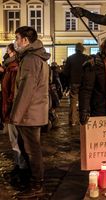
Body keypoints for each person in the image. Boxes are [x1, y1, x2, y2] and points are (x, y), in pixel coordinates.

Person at [10, 26, 50, 198]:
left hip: (29, 114)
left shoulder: (30, 59)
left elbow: (26, 90)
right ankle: (34, 181)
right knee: (31, 148)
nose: (16, 41)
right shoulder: (36, 57)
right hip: (34, 112)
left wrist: (15, 117)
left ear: (25, 40)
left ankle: (36, 185)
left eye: (17, 38)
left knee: (32, 150)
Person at [2, 43, 28, 183]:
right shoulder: (9, 68)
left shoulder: (13, 69)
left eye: (8, 52)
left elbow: (13, 91)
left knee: (16, 140)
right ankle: (19, 165)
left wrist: (11, 108)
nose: (6, 54)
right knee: (15, 139)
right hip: (10, 107)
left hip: (13, 109)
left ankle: (22, 167)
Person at [63, 43, 89, 126]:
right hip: (84, 83)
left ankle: (73, 121)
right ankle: (83, 120)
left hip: (74, 82)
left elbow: (65, 72)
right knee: (83, 102)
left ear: (75, 49)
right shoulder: (86, 58)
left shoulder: (70, 58)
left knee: (73, 102)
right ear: (82, 49)